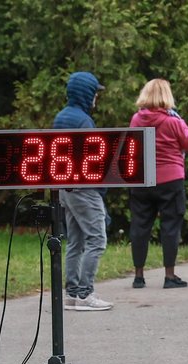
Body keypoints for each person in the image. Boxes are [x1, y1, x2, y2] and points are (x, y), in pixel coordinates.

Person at [128, 78, 188, 289]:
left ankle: (139, 276)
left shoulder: (136, 120)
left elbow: (132, 142)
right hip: (171, 179)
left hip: (142, 179)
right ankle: (169, 275)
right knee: (170, 227)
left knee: (139, 226)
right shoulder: (173, 121)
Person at [54, 71, 112, 311]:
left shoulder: (61, 117)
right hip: (84, 189)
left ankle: (71, 293)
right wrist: (101, 190)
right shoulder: (83, 121)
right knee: (97, 239)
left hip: (65, 188)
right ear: (86, 94)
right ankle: (85, 294)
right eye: (95, 93)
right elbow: (92, 160)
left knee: (75, 242)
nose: (96, 98)